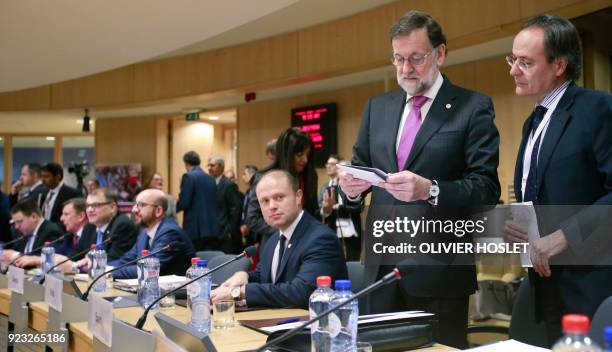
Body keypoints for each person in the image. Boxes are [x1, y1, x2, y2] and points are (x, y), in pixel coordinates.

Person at [338, 11, 500, 348]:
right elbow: (361, 167)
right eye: (398, 59)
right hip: (380, 271)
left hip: (439, 271)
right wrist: (352, 189)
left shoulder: (473, 107)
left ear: (440, 54)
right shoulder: (377, 108)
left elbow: (486, 189)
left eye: (415, 58)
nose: (405, 69)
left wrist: (432, 189)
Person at [503, 14, 612, 345]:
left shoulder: (598, 109)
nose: (513, 71)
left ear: (559, 65)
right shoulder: (532, 122)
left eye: (525, 62)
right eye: (512, 59)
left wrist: (564, 236)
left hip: (589, 283)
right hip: (542, 281)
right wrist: (518, 225)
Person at [211, 170, 347, 308]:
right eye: (265, 201)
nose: (272, 206)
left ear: (298, 197)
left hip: (314, 326)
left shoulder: (321, 239)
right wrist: (245, 276)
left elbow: (302, 292)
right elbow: (264, 276)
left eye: (279, 197)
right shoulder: (273, 239)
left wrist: (239, 292)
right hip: (278, 321)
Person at [245, 128, 319, 250]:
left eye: (308, 155)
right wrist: (287, 229)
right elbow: (253, 219)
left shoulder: (310, 176)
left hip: (306, 244)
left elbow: (312, 211)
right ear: (286, 154)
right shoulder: (264, 178)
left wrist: (325, 211)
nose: (305, 160)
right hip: (275, 245)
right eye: (300, 155)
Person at [109, 189, 196, 279]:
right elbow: (126, 261)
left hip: (176, 291)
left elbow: (150, 268)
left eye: (141, 205)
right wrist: (104, 268)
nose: (134, 209)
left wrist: (111, 273)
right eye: (135, 205)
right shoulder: (144, 233)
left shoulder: (170, 232)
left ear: (158, 211)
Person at [318, 155, 362, 261]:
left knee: (352, 260)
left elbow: (359, 207)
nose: (341, 172)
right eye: (340, 169)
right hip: (333, 229)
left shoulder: (354, 187)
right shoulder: (327, 187)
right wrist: (328, 209)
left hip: (351, 230)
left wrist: (339, 207)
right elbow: (320, 207)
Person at [78, 188, 138, 264]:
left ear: (112, 207)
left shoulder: (122, 225)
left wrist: (89, 262)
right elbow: (76, 256)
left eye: (95, 205)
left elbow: (114, 261)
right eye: (87, 205)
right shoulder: (89, 228)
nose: (89, 210)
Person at [176, 151, 219, 250]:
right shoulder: (211, 178)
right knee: (208, 259)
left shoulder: (188, 176)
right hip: (211, 227)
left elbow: (185, 202)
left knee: (195, 259)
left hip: (194, 228)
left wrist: (174, 208)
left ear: (186, 163)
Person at [3, 200, 62, 268]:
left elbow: (49, 258)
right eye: (15, 222)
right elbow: (14, 251)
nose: (16, 226)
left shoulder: (52, 231)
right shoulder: (24, 232)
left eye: (19, 222)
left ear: (34, 217)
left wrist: (16, 255)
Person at [208, 156, 243, 253]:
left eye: (212, 165)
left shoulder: (228, 185)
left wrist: (229, 229)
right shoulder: (208, 183)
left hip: (225, 234)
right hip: (211, 234)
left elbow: (236, 209)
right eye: (209, 165)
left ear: (221, 167)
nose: (209, 168)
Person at [40, 162, 82, 227]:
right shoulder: (42, 192)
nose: (43, 180)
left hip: (60, 232)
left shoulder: (72, 193)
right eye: (41, 176)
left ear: (57, 177)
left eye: (46, 176)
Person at [240, 164, 258, 247]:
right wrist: (243, 224)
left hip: (255, 230)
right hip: (247, 229)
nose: (242, 177)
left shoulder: (257, 190)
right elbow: (245, 210)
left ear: (252, 175)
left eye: (244, 174)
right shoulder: (248, 191)